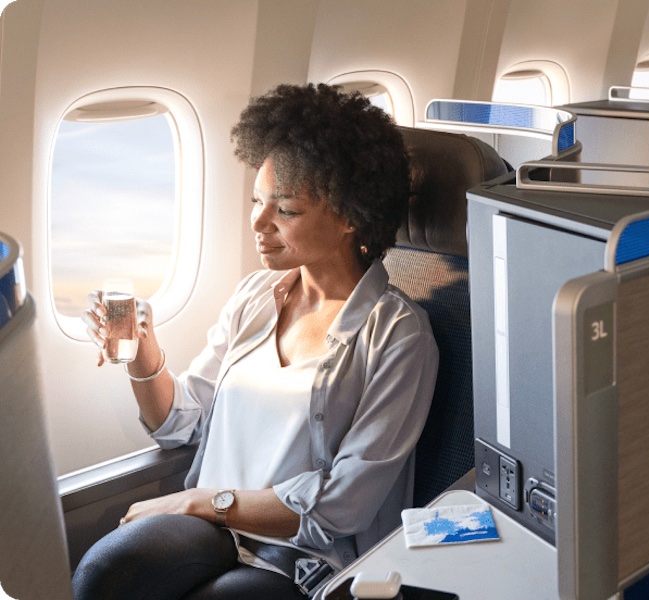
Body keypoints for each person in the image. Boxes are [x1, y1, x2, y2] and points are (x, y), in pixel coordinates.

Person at [73, 83, 439, 599]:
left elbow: (343, 503)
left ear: (350, 215)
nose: (258, 222)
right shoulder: (255, 296)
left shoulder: (399, 335)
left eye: (285, 209)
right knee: (106, 574)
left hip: (302, 558)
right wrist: (141, 348)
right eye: (255, 201)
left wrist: (198, 502)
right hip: (211, 530)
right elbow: (180, 424)